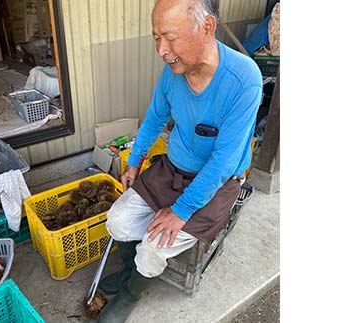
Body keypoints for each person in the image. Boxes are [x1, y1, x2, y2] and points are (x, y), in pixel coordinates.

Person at [96, 0, 263, 322]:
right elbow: (155, 118)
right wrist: (134, 161)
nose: (162, 50)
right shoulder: (173, 71)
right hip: (171, 169)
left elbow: (224, 163)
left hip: (218, 182)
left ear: (207, 28)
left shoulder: (243, 79)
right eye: (156, 37)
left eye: (170, 37)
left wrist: (181, 211)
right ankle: (130, 273)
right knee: (118, 219)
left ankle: (131, 294)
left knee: (154, 245)